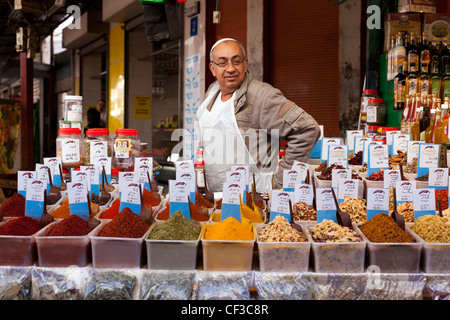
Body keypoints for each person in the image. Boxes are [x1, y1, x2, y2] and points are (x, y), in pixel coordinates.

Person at [196, 38, 320, 192]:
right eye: (222, 63)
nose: (230, 68)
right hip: (216, 198)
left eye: (236, 61)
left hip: (255, 199)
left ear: (245, 64)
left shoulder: (262, 96)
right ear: (212, 68)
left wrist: (281, 181)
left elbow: (307, 129)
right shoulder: (212, 92)